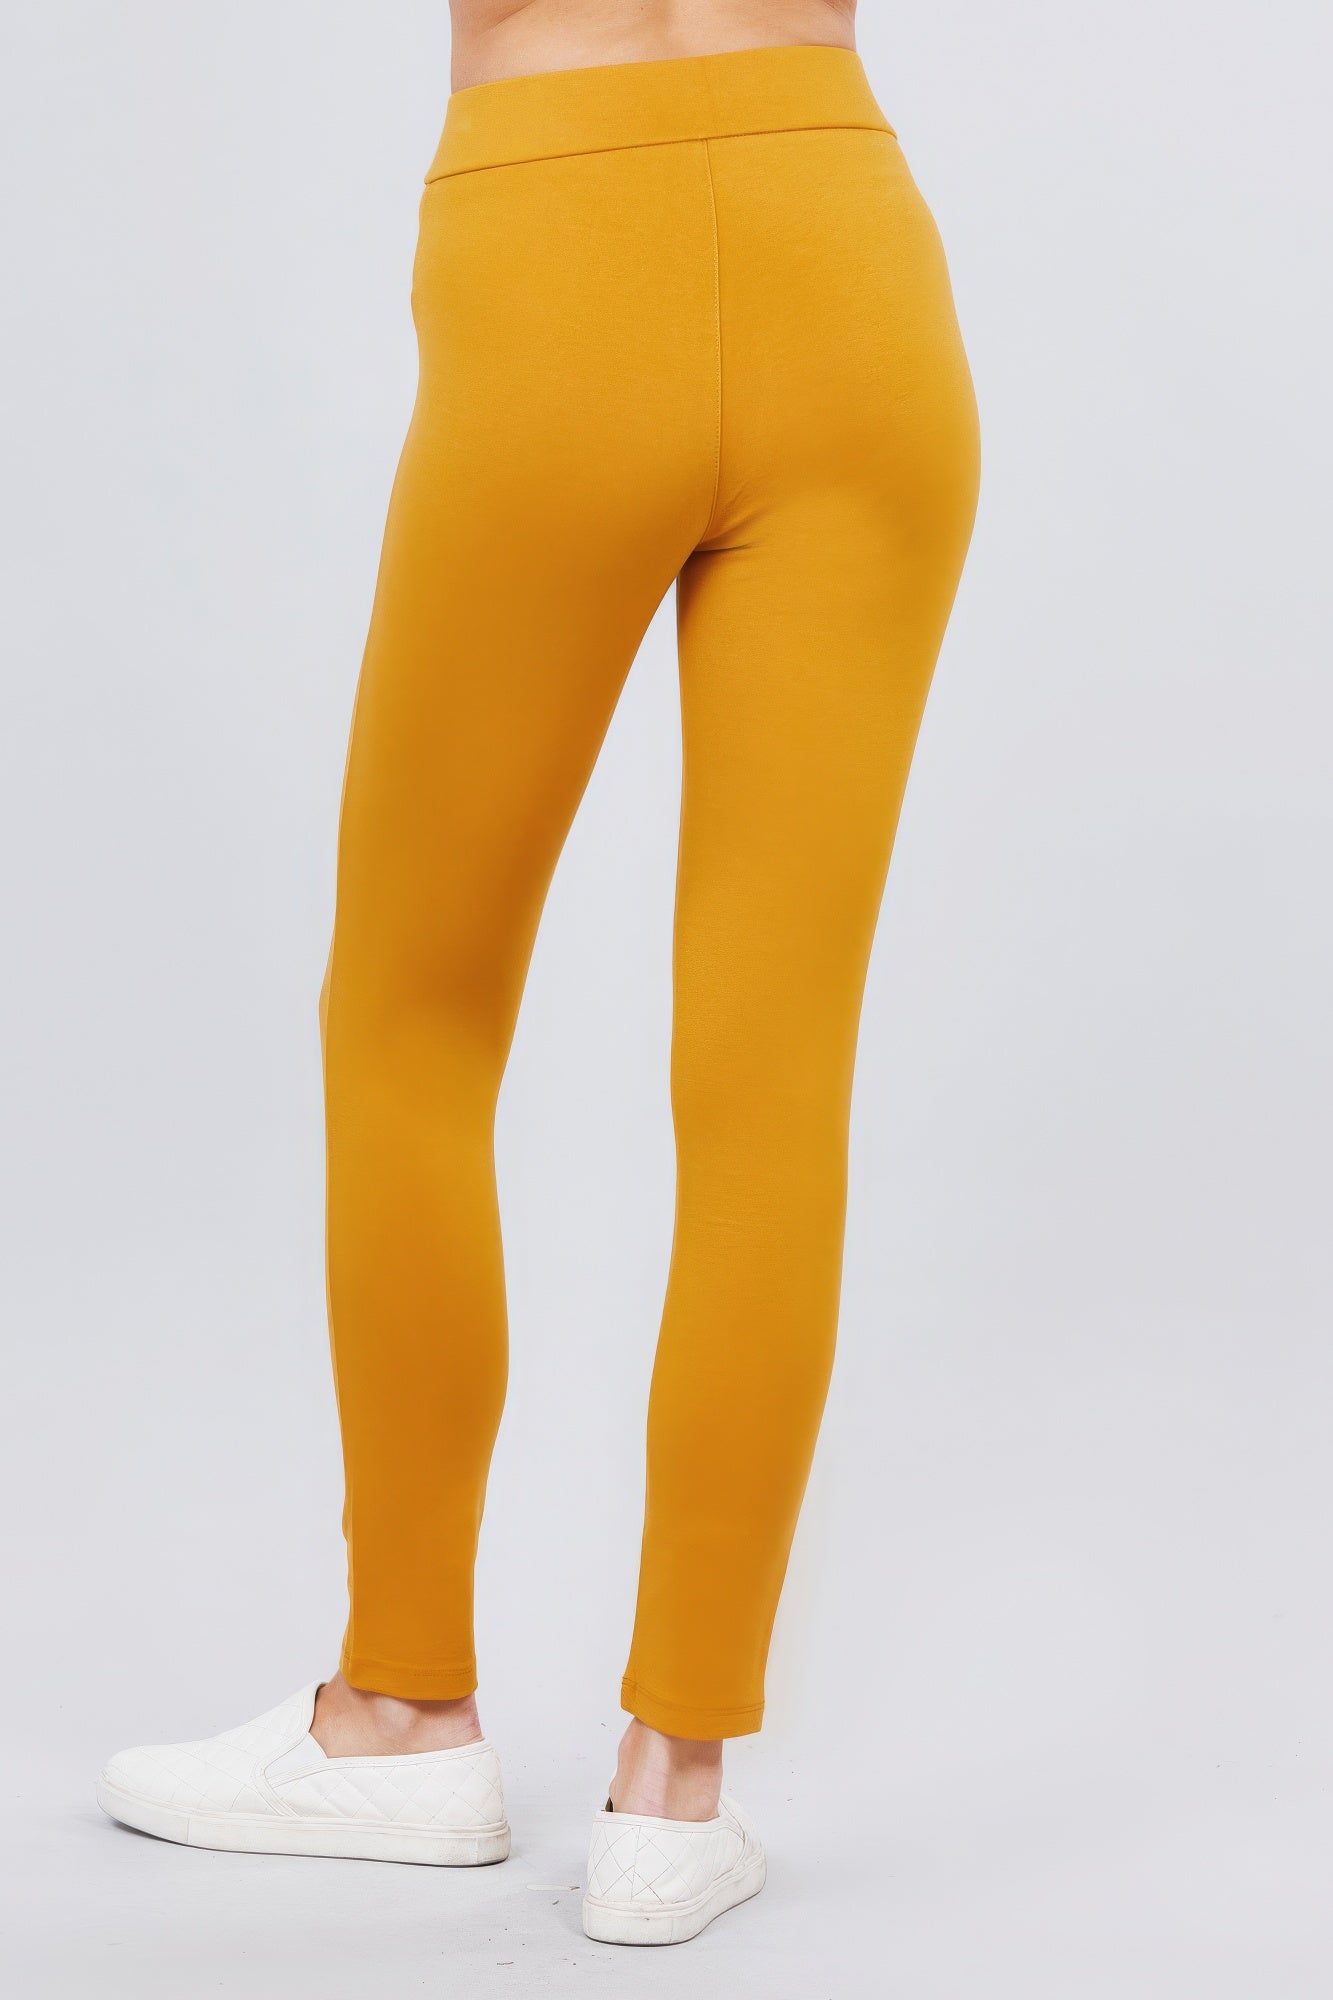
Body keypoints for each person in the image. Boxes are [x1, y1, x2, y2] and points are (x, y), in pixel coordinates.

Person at [96, 0, 978, 1946]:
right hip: (847, 243)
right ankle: (675, 1788)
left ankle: (402, 1711)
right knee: (770, 1078)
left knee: (409, 1017)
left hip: (559, 249)